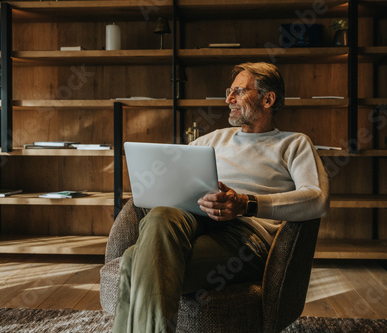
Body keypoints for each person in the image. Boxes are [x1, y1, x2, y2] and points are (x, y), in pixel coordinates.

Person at [112, 62, 330, 333]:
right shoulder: (210, 140)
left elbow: (317, 199)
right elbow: (174, 177)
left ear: (268, 99)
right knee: (159, 215)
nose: (228, 99)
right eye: (230, 91)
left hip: (244, 236)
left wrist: (245, 203)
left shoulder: (294, 143)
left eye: (238, 91)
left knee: (135, 259)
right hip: (192, 221)